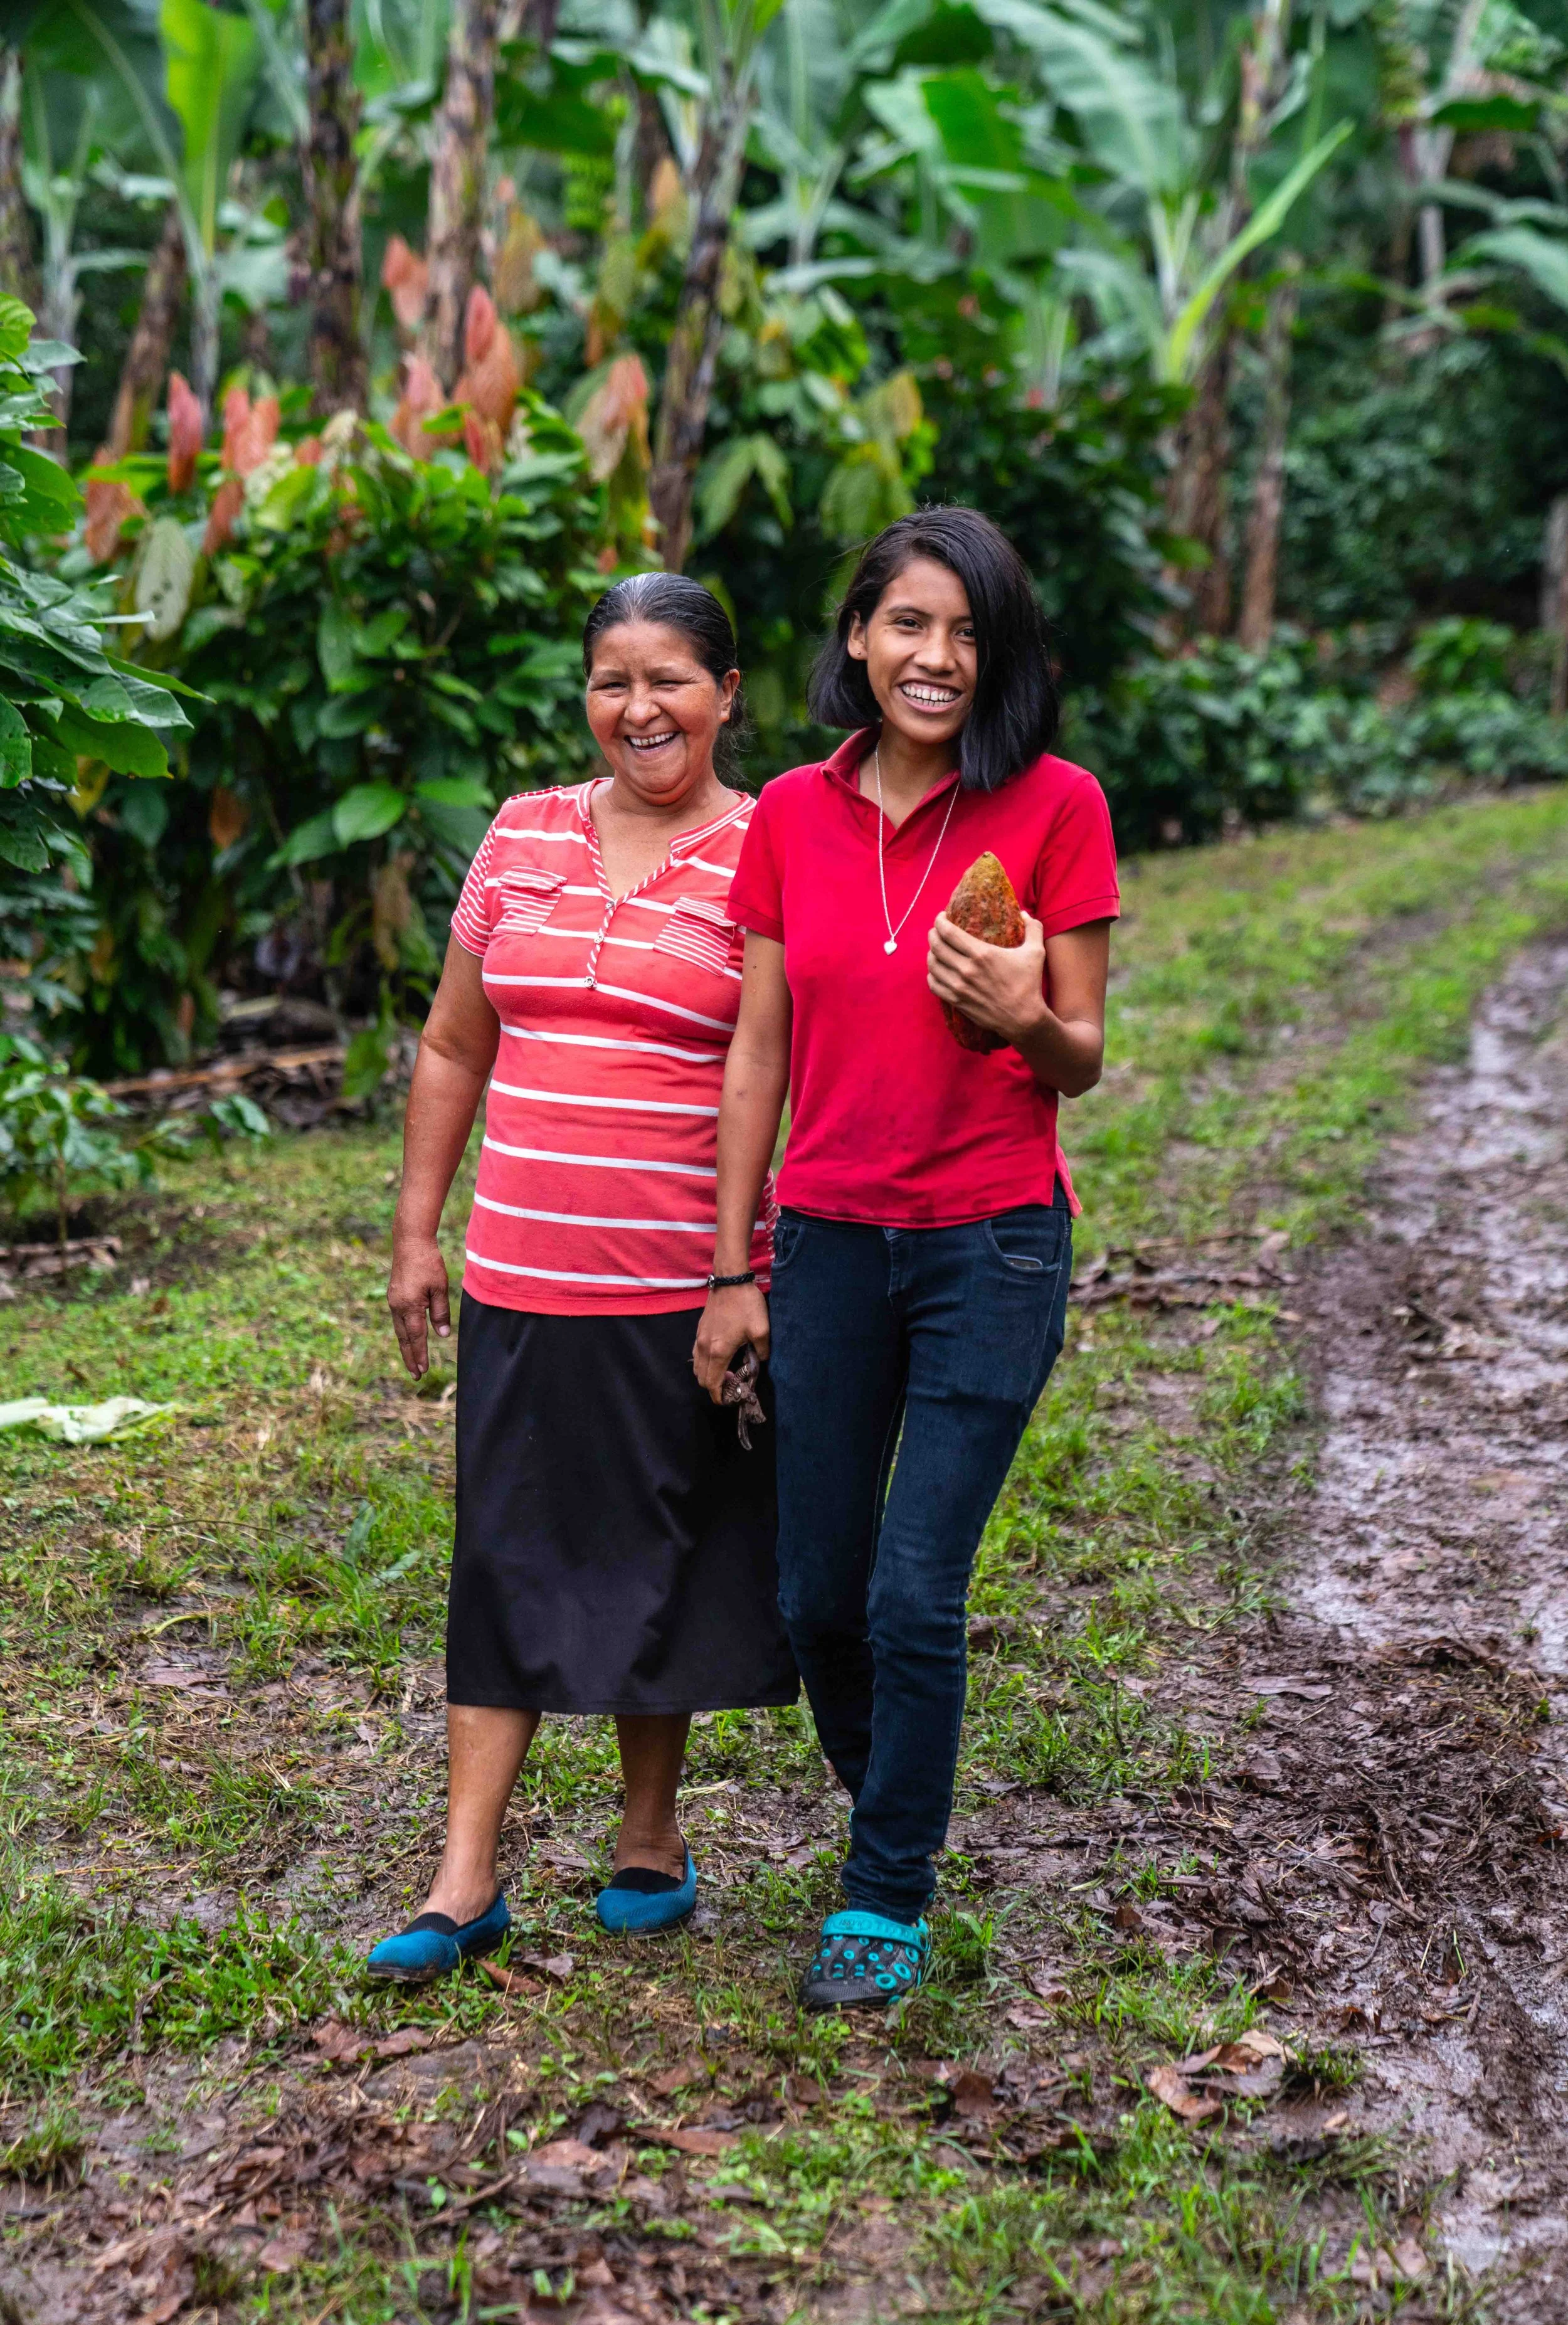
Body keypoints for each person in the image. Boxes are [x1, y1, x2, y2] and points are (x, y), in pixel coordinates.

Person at [693, 507, 1116, 2012]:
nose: (935, 657)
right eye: (906, 626)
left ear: (994, 654)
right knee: (816, 1594)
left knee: (910, 1595)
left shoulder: (1055, 805)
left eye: (964, 632)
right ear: (858, 641)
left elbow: (1075, 1056)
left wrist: (1018, 1008)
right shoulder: (787, 820)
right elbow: (756, 1050)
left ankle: (885, 1886)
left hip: (989, 1245)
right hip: (820, 1244)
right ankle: (903, 1798)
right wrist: (733, 1262)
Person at [368, 574, 797, 1983]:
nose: (639, 707)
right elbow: (451, 1043)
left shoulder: (765, 849)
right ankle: (464, 1874)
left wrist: (741, 1269)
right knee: (501, 1560)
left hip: (678, 1280)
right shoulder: (520, 834)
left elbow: (771, 1066)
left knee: (657, 1556)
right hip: (520, 1272)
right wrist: (418, 1229)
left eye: (670, 677)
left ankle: (649, 1832)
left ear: (727, 693)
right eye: (613, 679)